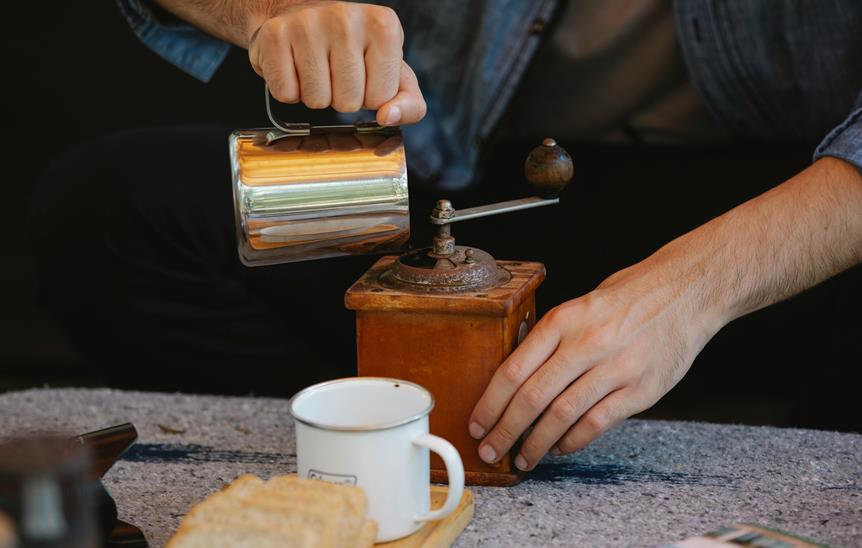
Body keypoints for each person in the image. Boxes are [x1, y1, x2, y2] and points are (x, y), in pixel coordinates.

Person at [34, 1, 860, 471]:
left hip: (775, 216)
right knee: (111, 207)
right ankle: (379, 457)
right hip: (463, 166)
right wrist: (271, 14)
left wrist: (690, 293)